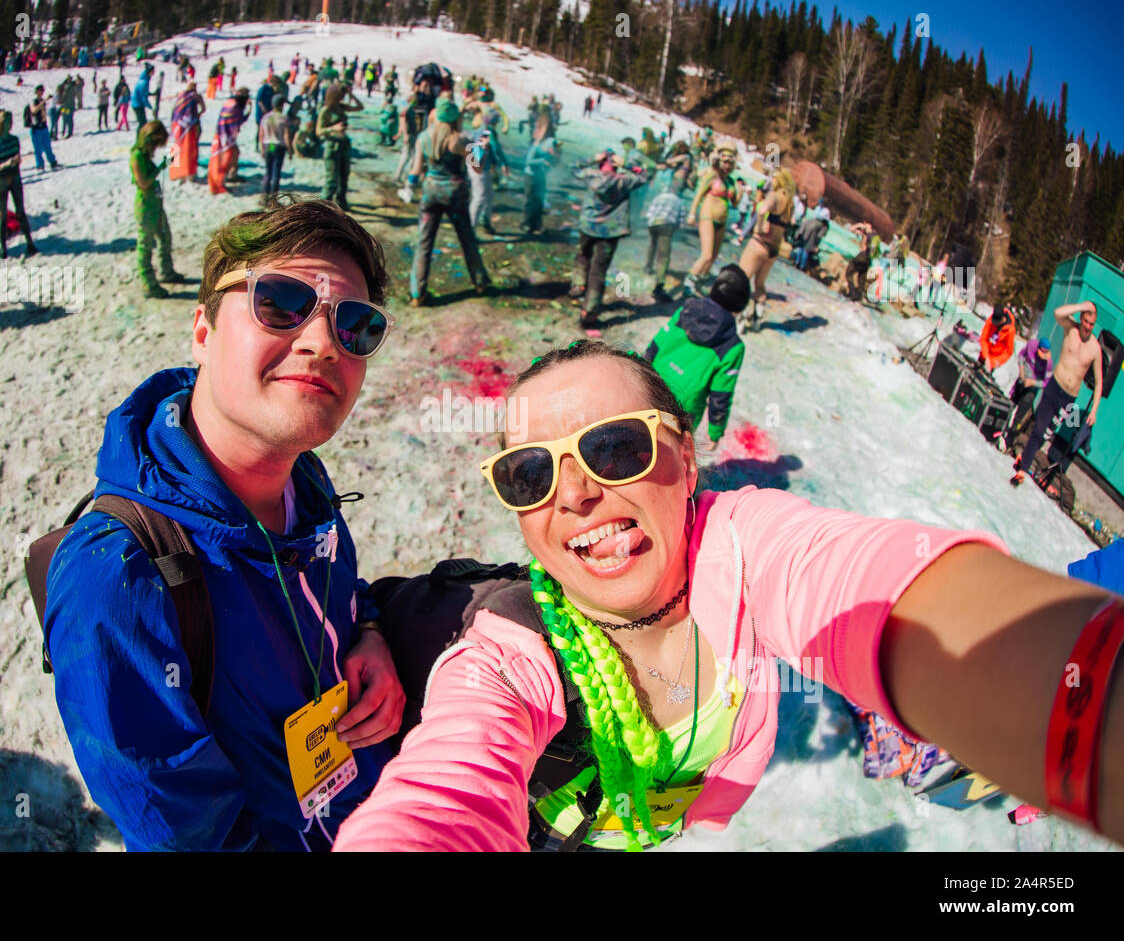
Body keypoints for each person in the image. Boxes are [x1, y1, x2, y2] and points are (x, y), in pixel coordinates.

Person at [334, 337, 1124, 851]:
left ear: (685, 455)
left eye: (614, 447)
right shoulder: (508, 650)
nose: (572, 494)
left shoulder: (751, 554)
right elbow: (448, 788)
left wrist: (1086, 704)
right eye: (530, 473)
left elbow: (874, 588)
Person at [45, 201, 405, 852]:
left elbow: (339, 587)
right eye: (281, 303)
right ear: (204, 333)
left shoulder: (306, 480)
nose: (322, 343)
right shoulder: (114, 579)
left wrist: (370, 627)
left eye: (354, 324)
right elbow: (186, 838)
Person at [645, 264, 751, 450]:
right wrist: (715, 432)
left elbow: (654, 347)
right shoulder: (733, 347)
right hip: (683, 411)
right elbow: (721, 395)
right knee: (666, 453)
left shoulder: (684, 312)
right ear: (740, 306)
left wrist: (639, 376)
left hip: (651, 388)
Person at [404, 98, 490, 308]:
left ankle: (417, 293)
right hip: (455, 194)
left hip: (431, 192)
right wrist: (481, 149)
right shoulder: (459, 140)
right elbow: (477, 168)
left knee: (424, 243)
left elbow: (415, 170)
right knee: (467, 238)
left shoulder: (424, 138)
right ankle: (479, 282)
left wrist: (409, 186)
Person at [1012, 301, 1104, 486]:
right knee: (1039, 429)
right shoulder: (1071, 329)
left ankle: (1025, 457)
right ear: (1081, 318)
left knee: (1045, 434)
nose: (1087, 326)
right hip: (1054, 387)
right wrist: (1081, 306)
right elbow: (1058, 312)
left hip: (1068, 398)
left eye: (1091, 324)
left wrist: (1093, 410)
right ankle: (1022, 470)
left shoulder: (1095, 349)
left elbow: (1100, 381)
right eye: (1085, 321)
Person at [569, 150, 647, 328]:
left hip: (588, 225)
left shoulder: (591, 175)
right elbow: (644, 175)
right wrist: (626, 165)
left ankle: (578, 285)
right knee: (599, 270)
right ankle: (589, 312)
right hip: (611, 230)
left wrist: (592, 158)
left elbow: (573, 167)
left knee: (583, 254)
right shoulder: (624, 181)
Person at [736, 169, 796, 329]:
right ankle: (757, 319)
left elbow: (762, 211)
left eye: (774, 177)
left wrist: (759, 226)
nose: (772, 180)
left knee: (742, 279)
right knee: (760, 283)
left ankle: (739, 318)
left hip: (760, 243)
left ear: (780, 180)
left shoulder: (774, 195)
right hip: (774, 249)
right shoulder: (790, 203)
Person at [129, 120, 182, 298]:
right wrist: (161, 166)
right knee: (145, 247)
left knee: (165, 238)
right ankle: (149, 284)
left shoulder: (144, 155)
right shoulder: (136, 156)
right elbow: (143, 183)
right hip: (145, 206)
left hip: (155, 204)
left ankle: (167, 272)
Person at [0, 111, 38, 260]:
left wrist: (16, 161)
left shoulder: (14, 140)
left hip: (15, 177)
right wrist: (5, 164)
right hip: (1, 180)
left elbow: (18, 158)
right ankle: (3, 249)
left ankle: (29, 242)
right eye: (8, 121)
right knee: (2, 215)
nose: (11, 124)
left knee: (20, 211)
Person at [642, 153, 692, 303]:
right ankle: (659, 285)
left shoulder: (660, 197)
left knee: (652, 244)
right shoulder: (679, 202)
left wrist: (650, 222)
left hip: (654, 224)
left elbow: (650, 210)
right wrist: (677, 229)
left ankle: (648, 266)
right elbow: (681, 220)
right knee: (664, 256)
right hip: (667, 227)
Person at [686, 145, 739, 287]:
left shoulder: (731, 182)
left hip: (721, 222)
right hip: (707, 217)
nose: (727, 165)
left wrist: (739, 193)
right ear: (719, 161)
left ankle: (700, 280)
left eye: (730, 163)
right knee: (707, 255)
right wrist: (692, 214)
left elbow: (735, 204)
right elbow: (699, 195)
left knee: (714, 257)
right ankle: (689, 282)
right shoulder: (711, 175)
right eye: (725, 162)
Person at [317, 82, 363, 210]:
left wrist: (350, 94)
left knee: (344, 176)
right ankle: (324, 207)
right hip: (332, 145)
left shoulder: (341, 107)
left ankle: (341, 203)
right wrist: (333, 128)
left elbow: (360, 107)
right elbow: (318, 131)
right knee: (331, 179)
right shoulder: (326, 110)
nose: (342, 96)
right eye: (341, 94)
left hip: (344, 145)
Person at [1004, 336, 1055, 448]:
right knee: (1011, 404)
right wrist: (1021, 368)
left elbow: (1046, 383)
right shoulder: (1031, 344)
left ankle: (1010, 437)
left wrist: (1033, 383)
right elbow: (1022, 355)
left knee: (1020, 414)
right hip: (1021, 381)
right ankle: (1002, 426)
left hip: (1031, 389)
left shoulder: (1048, 364)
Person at [207, 87, 251, 195]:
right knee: (225, 159)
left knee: (235, 153)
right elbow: (240, 120)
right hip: (226, 138)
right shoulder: (235, 107)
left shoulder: (229, 102)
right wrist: (250, 108)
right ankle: (221, 181)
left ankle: (232, 175)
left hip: (221, 134)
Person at [521, 115, 559, 234]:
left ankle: (537, 224)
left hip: (540, 176)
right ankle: (526, 223)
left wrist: (554, 153)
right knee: (530, 201)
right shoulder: (535, 145)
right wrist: (542, 161)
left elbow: (554, 149)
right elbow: (528, 161)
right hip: (531, 176)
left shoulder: (548, 142)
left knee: (539, 200)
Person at [169, 82, 206, 183]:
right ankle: (190, 174)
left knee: (174, 146)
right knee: (190, 148)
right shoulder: (197, 96)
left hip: (176, 123)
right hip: (189, 124)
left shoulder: (180, 94)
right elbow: (203, 109)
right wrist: (197, 115)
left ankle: (173, 173)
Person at [259, 95, 294, 196]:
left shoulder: (265, 117)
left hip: (268, 144)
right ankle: (273, 198)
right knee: (276, 172)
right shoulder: (284, 118)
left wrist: (262, 148)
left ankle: (264, 196)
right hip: (278, 145)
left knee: (268, 171)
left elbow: (261, 135)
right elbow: (286, 136)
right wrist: (290, 150)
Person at [26, 86, 60, 171]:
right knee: (38, 149)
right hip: (36, 128)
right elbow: (34, 110)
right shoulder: (34, 101)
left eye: (43, 91)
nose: (42, 92)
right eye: (40, 91)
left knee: (47, 146)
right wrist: (44, 101)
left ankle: (52, 161)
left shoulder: (42, 101)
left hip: (43, 127)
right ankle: (40, 165)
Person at [396, 92, 426, 184]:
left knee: (413, 157)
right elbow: (403, 124)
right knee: (406, 156)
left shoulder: (412, 110)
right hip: (409, 136)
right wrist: (404, 135)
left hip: (413, 135)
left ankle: (407, 176)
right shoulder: (407, 111)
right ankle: (398, 177)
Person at [979, 301, 1017, 373]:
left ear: (1002, 319)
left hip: (995, 358)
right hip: (985, 352)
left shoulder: (1010, 330)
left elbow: (1009, 351)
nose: (994, 324)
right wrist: (986, 356)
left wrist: (997, 361)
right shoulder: (991, 320)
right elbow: (983, 338)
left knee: (984, 375)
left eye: (996, 323)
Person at [844, 222, 875, 301]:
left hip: (862, 256)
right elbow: (851, 229)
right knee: (861, 279)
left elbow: (850, 229)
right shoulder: (873, 235)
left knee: (849, 273)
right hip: (868, 260)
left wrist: (860, 226)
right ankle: (859, 295)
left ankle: (853, 292)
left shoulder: (869, 235)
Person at [132, 64, 153, 129]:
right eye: (152, 71)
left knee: (143, 122)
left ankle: (140, 137)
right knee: (142, 123)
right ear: (149, 72)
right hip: (137, 104)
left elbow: (144, 92)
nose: (153, 73)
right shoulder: (144, 82)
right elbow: (143, 97)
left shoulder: (145, 79)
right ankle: (139, 137)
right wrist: (150, 106)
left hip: (138, 103)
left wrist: (152, 94)